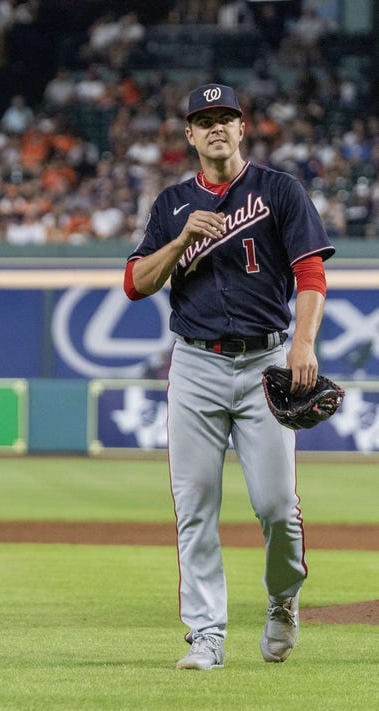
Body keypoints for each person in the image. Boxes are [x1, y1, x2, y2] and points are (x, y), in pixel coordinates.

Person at [124, 83, 334, 670]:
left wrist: (303, 346)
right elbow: (135, 283)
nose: (216, 126)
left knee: (276, 507)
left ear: (243, 129)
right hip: (194, 363)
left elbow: (311, 273)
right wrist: (180, 240)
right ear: (189, 135)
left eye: (227, 117)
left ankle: (283, 600)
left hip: (267, 360)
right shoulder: (170, 204)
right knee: (195, 506)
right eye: (204, 119)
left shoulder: (279, 191)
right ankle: (207, 635)